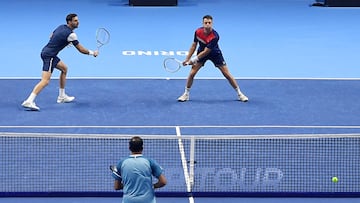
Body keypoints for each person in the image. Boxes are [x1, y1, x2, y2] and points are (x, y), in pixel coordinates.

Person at [21, 13, 98, 111]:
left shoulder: (61, 27)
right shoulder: (72, 35)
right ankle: (29, 101)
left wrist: (64, 41)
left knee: (64, 69)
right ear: (69, 22)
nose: (78, 22)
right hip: (50, 56)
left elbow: (51, 36)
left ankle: (62, 97)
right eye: (75, 21)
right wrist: (92, 53)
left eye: (78, 20)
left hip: (47, 52)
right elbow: (81, 50)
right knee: (45, 81)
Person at [178, 15, 248, 102]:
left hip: (215, 54)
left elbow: (206, 52)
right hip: (201, 52)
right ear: (202, 23)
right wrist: (187, 59)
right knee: (192, 73)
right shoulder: (197, 32)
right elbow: (194, 45)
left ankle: (239, 94)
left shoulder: (215, 36)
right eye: (205, 23)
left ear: (212, 23)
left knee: (226, 74)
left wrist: (193, 60)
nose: (207, 25)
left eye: (209, 23)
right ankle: (186, 94)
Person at [112, 136, 167, 203]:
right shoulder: (149, 161)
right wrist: (152, 186)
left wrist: (127, 185)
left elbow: (116, 187)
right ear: (142, 148)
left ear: (129, 148)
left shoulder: (122, 163)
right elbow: (163, 182)